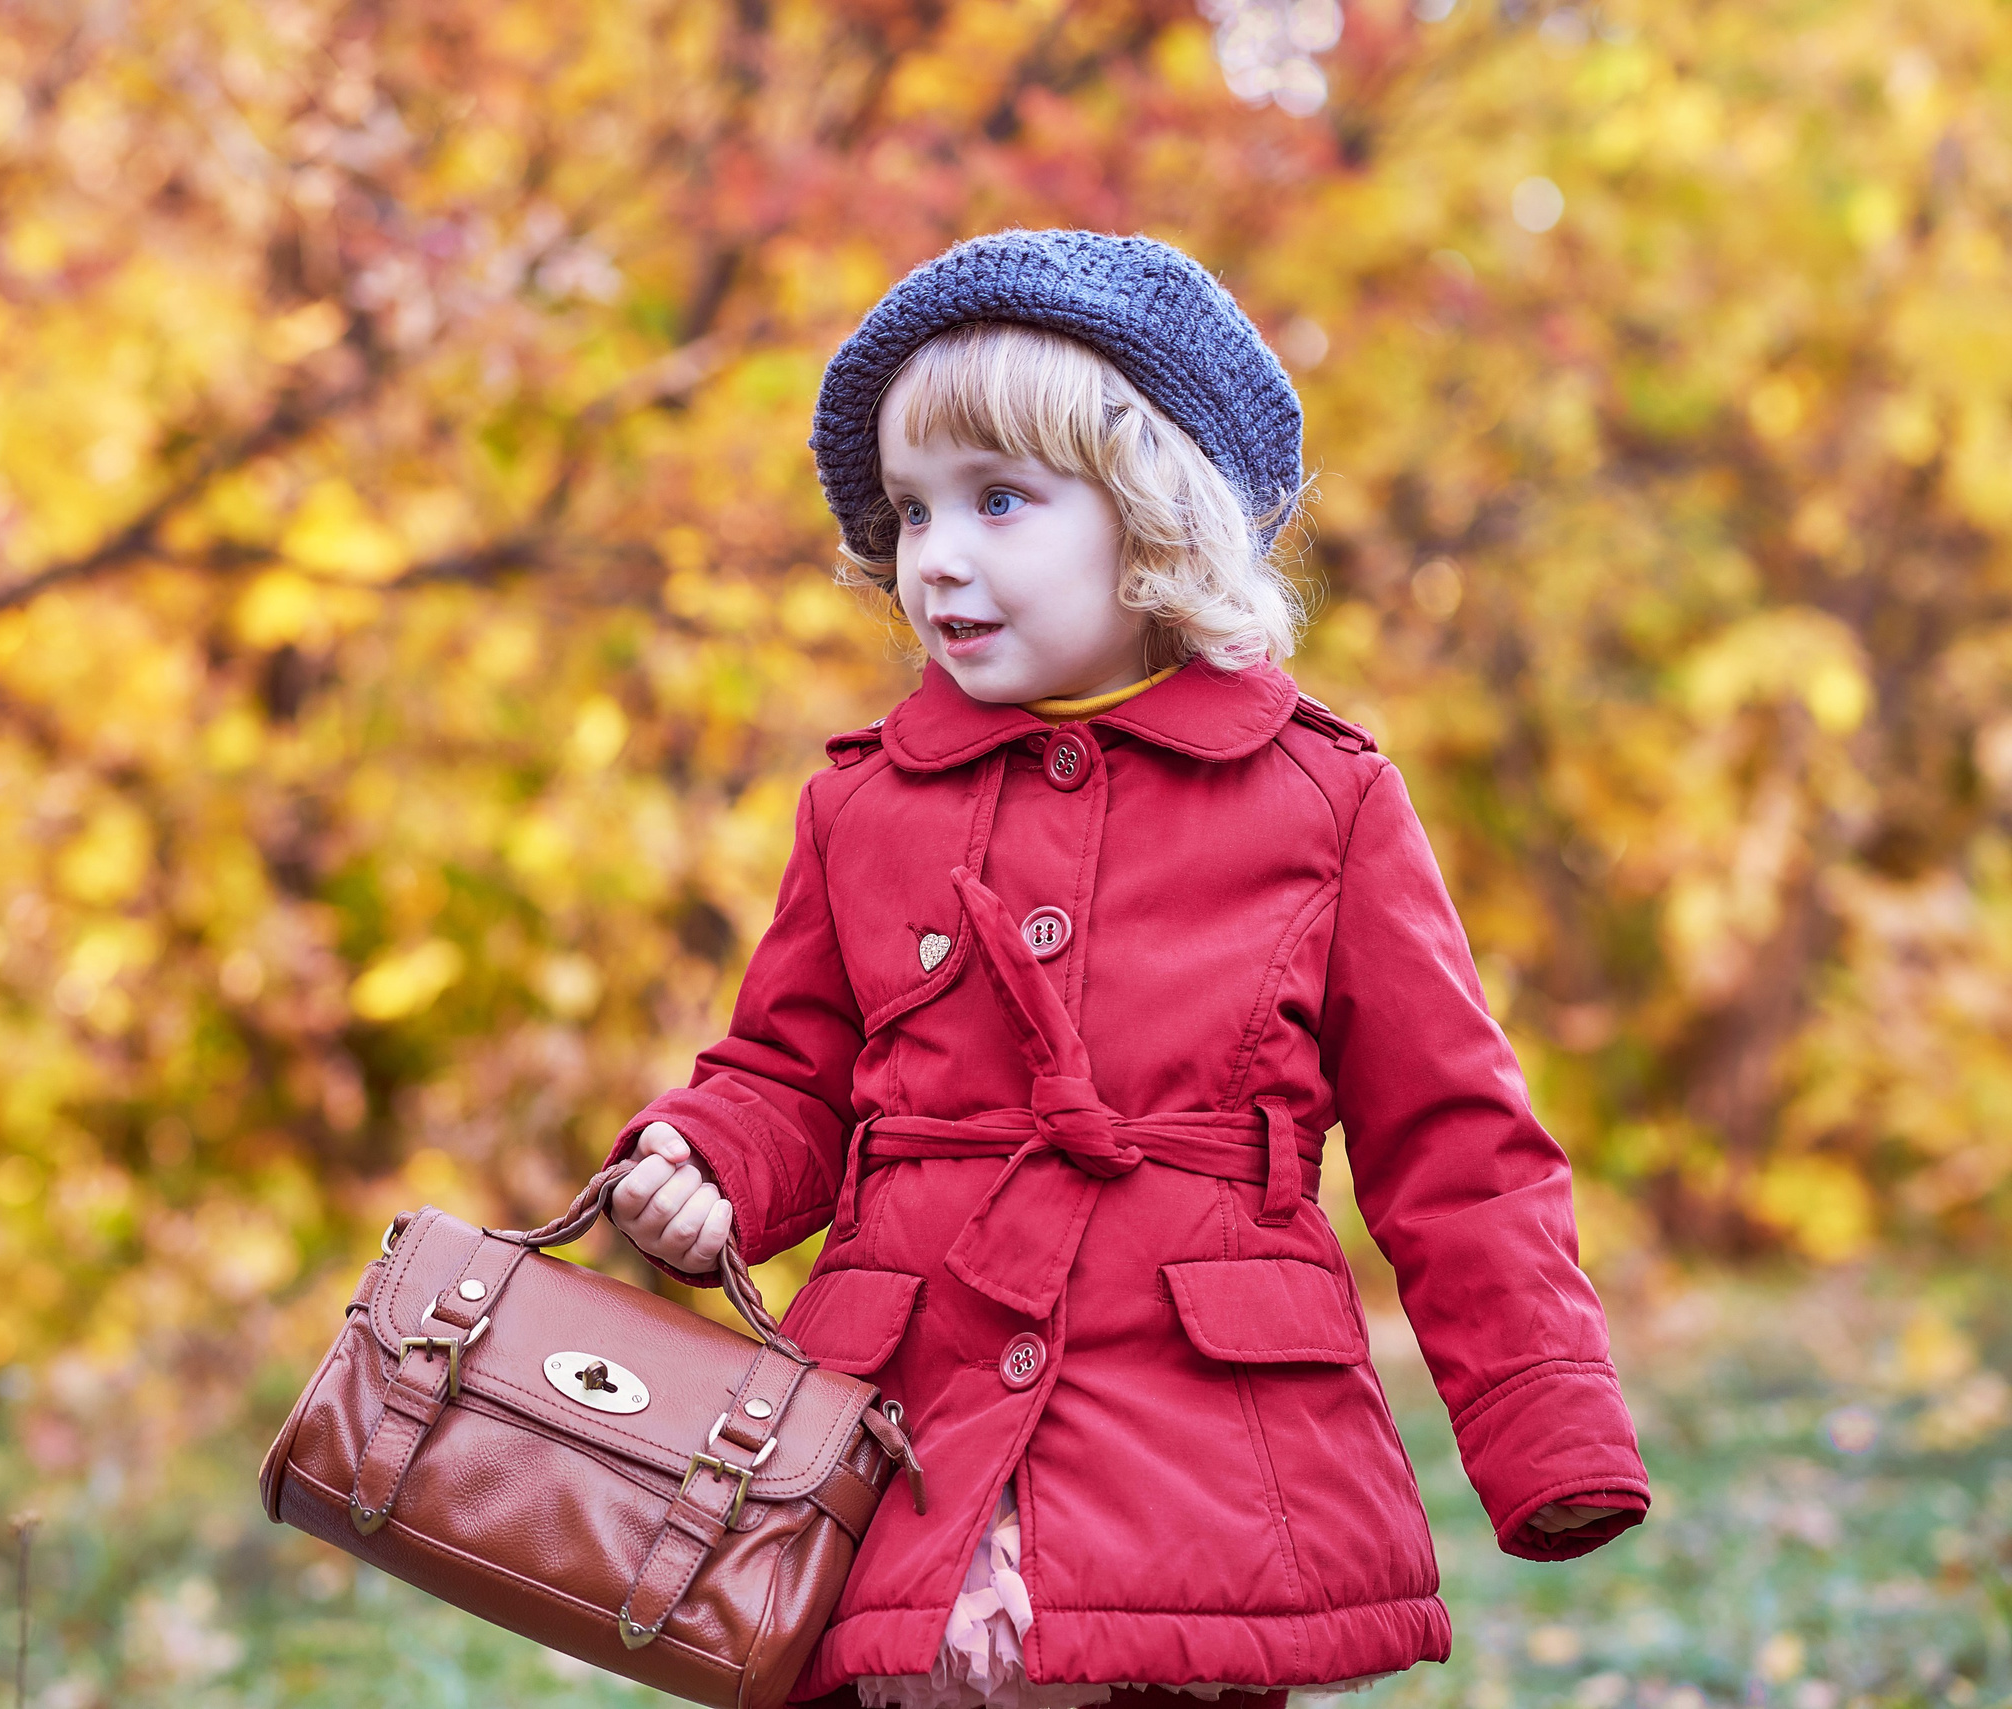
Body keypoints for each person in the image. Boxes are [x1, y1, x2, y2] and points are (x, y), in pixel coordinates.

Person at [600, 229, 1648, 1709]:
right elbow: (788, 1073)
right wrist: (707, 1161)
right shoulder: (862, 808)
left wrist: (1549, 1425)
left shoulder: (1321, 800)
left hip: (1207, 1454)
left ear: (1155, 519)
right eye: (909, 511)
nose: (938, 556)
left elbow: (1458, 1147)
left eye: (1001, 499)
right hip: (905, 1425)